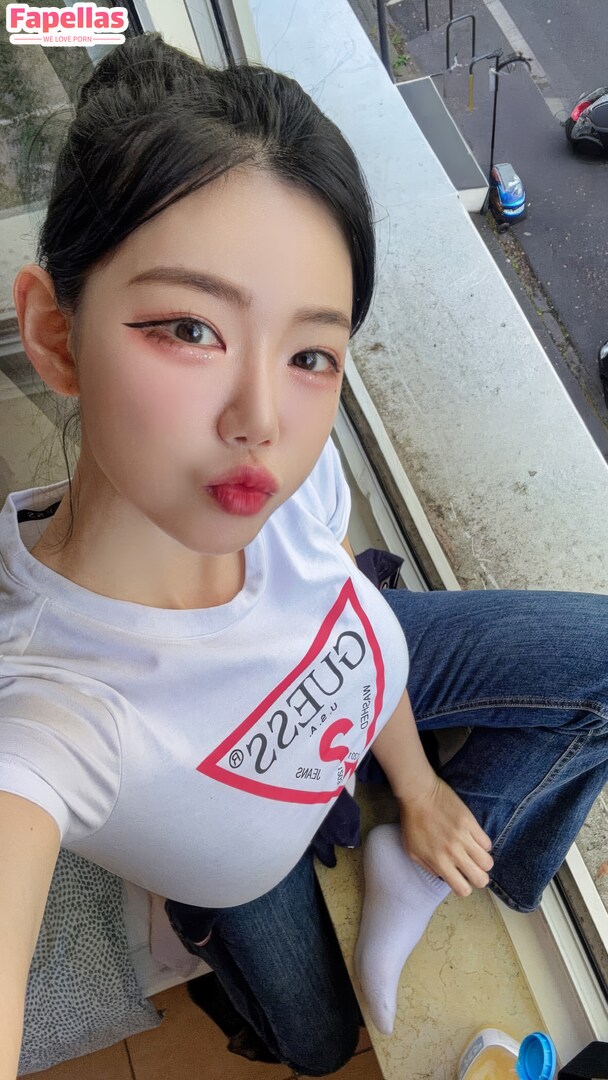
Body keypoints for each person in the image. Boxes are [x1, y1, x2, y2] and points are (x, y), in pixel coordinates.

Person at [1, 30, 607, 1079]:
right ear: (57, 337)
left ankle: (410, 859)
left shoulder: (283, 483)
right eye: (191, 329)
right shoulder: (54, 708)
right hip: (240, 865)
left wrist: (417, 789)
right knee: (319, 1046)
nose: (263, 419)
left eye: (310, 352)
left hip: (361, 716)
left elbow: (348, 624)